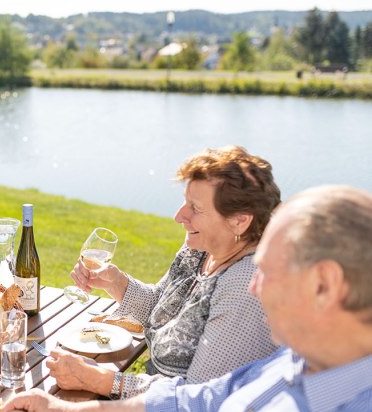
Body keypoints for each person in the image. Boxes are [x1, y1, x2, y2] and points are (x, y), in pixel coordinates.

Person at [5, 185, 372, 412]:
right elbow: (194, 404)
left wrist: (102, 383)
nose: (254, 285)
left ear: (325, 285)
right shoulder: (294, 362)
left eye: (267, 271)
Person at [51, 146, 281, 399]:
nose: (179, 216)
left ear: (239, 220)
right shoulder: (203, 248)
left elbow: (198, 399)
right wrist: (116, 283)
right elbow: (162, 310)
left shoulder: (245, 285)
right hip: (151, 401)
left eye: (195, 207)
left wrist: (103, 381)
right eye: (185, 201)